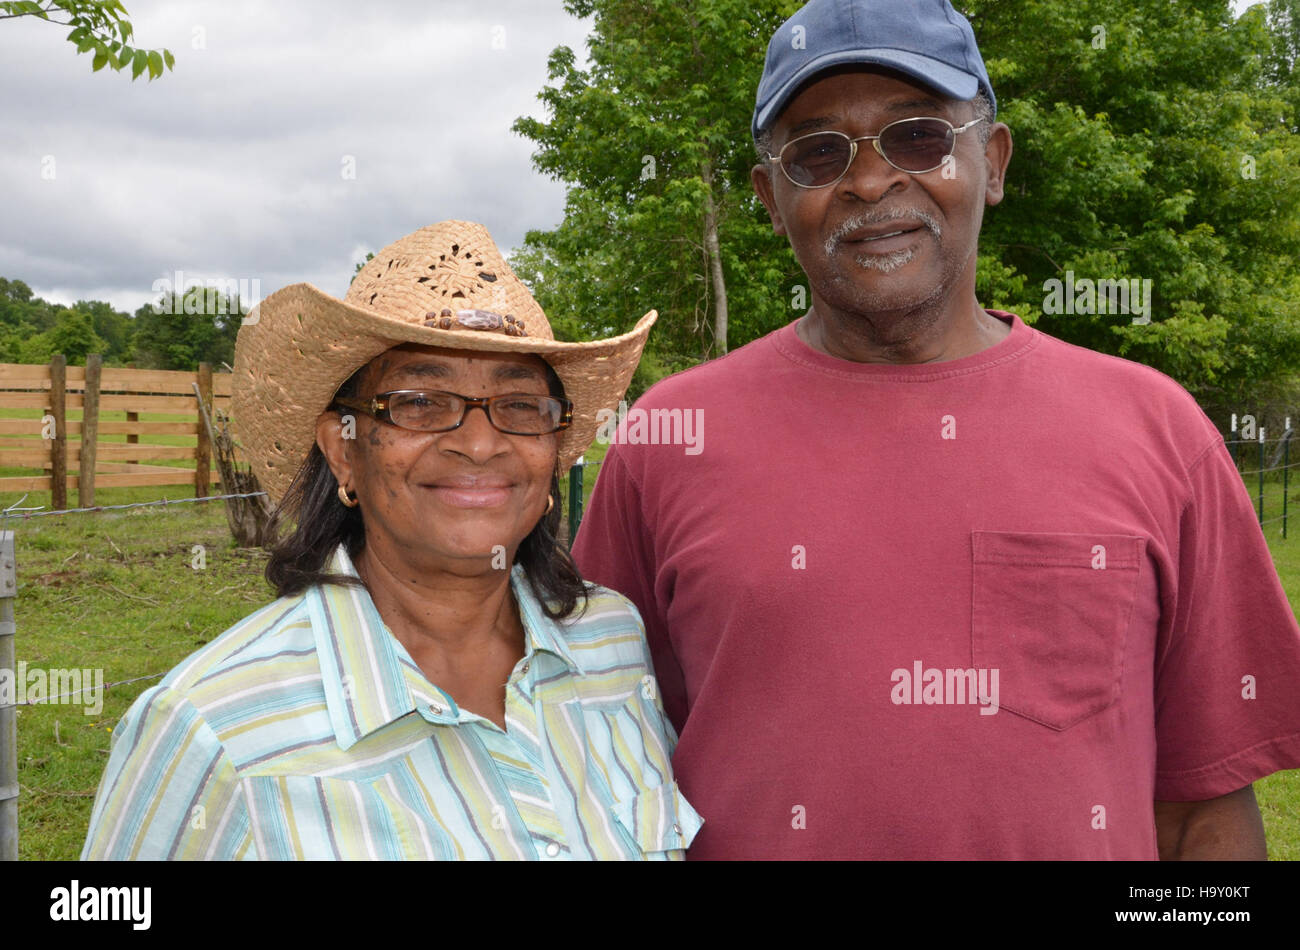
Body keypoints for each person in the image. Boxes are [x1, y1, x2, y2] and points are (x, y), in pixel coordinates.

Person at [571, 0, 1300, 859]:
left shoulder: (1155, 427)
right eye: (817, 153)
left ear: (990, 162)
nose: (872, 183)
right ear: (771, 198)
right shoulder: (667, 439)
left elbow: (1204, 813)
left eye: (918, 137)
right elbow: (601, 772)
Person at [82, 219, 702, 860]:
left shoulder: (611, 644)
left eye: (519, 406)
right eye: (420, 402)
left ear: (553, 454)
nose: (480, 443)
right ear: (343, 452)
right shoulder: (211, 730)